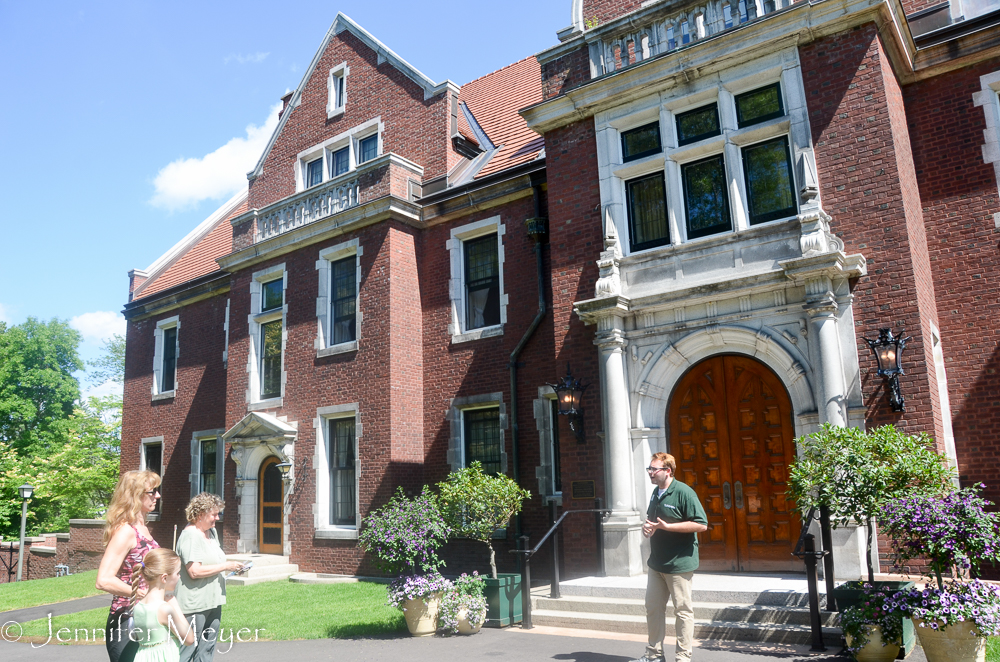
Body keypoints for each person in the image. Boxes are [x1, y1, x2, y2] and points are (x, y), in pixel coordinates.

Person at [632, 452, 708, 662]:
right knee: (653, 609)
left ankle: (683, 658)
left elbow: (701, 524)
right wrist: (648, 528)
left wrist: (669, 527)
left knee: (682, 611)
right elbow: (651, 520)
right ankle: (654, 655)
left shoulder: (684, 492)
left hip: (679, 564)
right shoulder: (656, 493)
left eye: (654, 469)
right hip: (657, 563)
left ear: (667, 470)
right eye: (649, 469)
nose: (650, 473)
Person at [97, 469, 163, 662]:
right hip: (127, 620)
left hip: (146, 616)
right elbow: (103, 580)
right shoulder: (125, 531)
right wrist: (143, 594)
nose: (157, 495)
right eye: (152, 491)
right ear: (135, 495)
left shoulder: (142, 528)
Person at [174, 493, 243, 662]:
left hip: (213, 601)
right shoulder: (190, 536)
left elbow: (212, 562)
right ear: (200, 515)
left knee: (206, 650)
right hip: (194, 605)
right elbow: (194, 571)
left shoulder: (211, 533)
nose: (217, 518)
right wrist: (226, 566)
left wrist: (232, 569)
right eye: (214, 514)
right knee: (187, 651)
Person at [130, 548, 196, 662]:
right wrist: (174, 604)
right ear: (164, 578)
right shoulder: (164, 609)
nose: (179, 577)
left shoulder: (138, 606)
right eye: (178, 573)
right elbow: (189, 639)